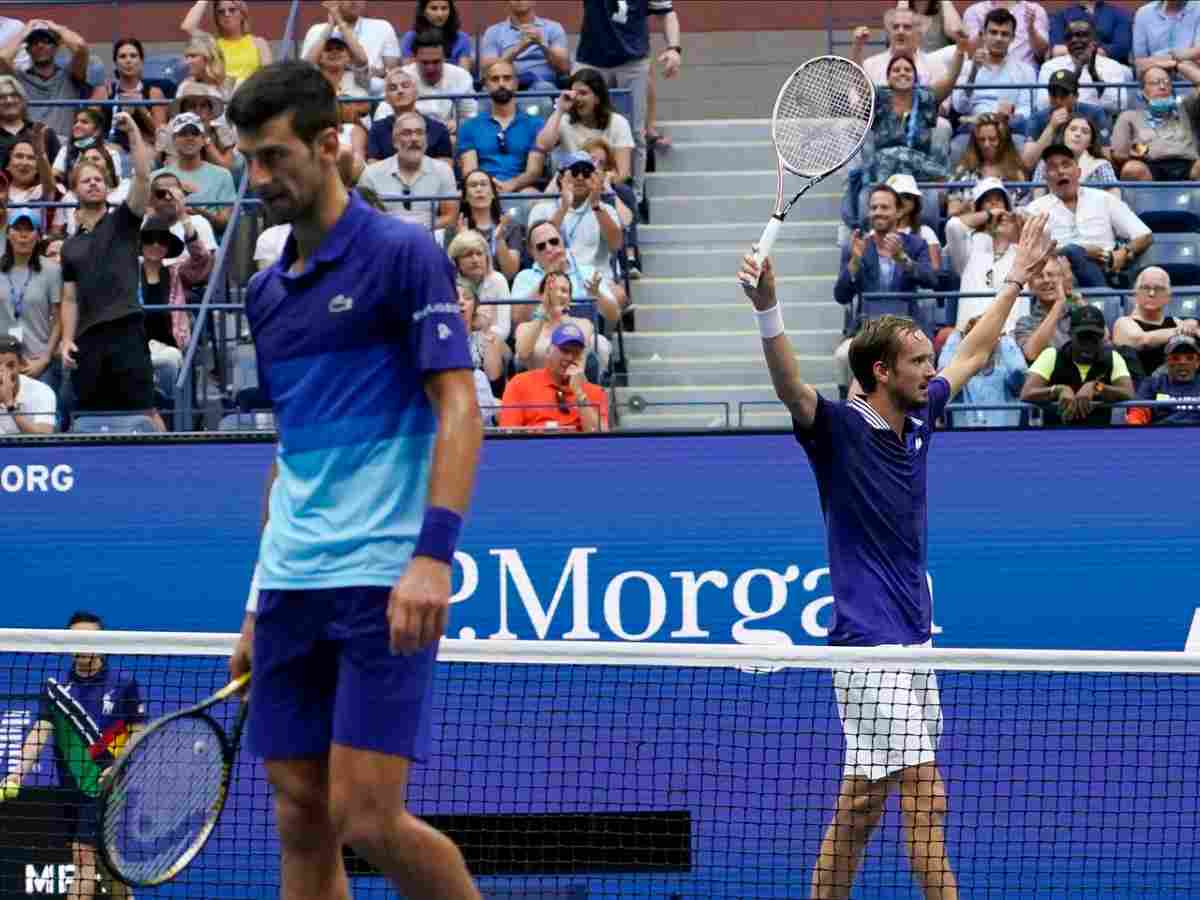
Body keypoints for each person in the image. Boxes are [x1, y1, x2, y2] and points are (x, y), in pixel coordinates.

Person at [738, 211, 1055, 900]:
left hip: (915, 641)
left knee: (861, 804)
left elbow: (972, 352)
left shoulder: (920, 417)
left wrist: (1017, 281)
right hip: (866, 646)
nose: (931, 370)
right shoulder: (840, 431)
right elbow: (792, 388)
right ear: (881, 371)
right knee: (926, 794)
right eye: (917, 361)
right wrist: (768, 309)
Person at [226, 60, 482, 900]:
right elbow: (289, 455)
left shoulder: (403, 254)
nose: (258, 178)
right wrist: (258, 601)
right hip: (293, 582)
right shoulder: (265, 295)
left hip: (381, 578)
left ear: (329, 144)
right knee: (299, 812)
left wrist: (432, 557)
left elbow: (458, 408)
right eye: (249, 161)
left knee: (367, 819)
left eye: (273, 157)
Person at [0, 611, 142, 897]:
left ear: (103, 643)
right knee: (105, 861)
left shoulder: (123, 684)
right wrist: (17, 773)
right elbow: (40, 731)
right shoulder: (56, 690)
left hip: (105, 785)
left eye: (90, 638)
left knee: (82, 857)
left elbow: (138, 731)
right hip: (70, 787)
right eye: (77, 639)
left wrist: (117, 768)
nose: (83, 645)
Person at [60, 114, 165, 432]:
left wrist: (133, 131)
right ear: (75, 190)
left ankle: (172, 470)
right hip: (88, 340)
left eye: (99, 179)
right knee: (92, 418)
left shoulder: (123, 221)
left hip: (127, 331)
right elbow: (69, 297)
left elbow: (144, 179)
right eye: (86, 180)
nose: (94, 183)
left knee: (146, 411)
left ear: (107, 186)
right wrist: (66, 339)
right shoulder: (69, 246)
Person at [574, 0, 682, 195]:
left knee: (634, 131)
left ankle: (635, 195)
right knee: (583, 127)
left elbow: (667, 13)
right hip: (592, 59)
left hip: (632, 60)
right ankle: (582, 188)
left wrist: (674, 48)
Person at [1024, 143, 1152, 288]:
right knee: (1071, 251)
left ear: (1078, 172)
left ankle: (1102, 298)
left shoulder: (1103, 199)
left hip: (1105, 269)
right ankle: (1103, 298)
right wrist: (1083, 252)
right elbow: (1030, 253)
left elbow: (1144, 234)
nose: (1060, 171)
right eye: (1052, 168)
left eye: (1066, 165)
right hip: (1057, 276)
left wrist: (1124, 252)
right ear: (1045, 177)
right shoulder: (1035, 209)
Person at [860, 47, 963, 186]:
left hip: (918, 170)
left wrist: (960, 50)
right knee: (895, 154)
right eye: (896, 70)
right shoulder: (879, 98)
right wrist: (858, 46)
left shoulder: (925, 99)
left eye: (908, 70)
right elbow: (858, 79)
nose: (902, 73)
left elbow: (951, 78)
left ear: (915, 78)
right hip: (884, 172)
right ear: (888, 79)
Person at [1020, 303, 1135, 425]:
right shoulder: (1051, 355)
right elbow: (1026, 393)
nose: (1088, 344)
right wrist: (1057, 390)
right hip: (1054, 434)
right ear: (1070, 334)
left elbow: (1128, 393)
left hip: (1099, 434)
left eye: (1094, 338)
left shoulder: (1113, 357)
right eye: (1082, 337)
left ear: (1103, 337)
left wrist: (1096, 387)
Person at [138, 212, 209, 399]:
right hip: (134, 346)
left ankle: (171, 414)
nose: (155, 245)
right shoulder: (128, 274)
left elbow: (201, 260)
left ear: (167, 247)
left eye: (161, 241)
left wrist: (186, 221)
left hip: (171, 347)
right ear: (141, 244)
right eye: (149, 240)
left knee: (170, 361)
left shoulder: (175, 273)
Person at [950, 8, 1037, 158]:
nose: (998, 38)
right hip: (973, 129)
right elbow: (959, 107)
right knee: (957, 147)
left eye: (1004, 34)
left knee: (1023, 147)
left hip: (1010, 129)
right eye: (993, 32)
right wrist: (973, 72)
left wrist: (1011, 115)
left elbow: (1027, 110)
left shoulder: (1025, 70)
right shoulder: (966, 67)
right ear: (983, 35)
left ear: (1012, 38)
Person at [357, 111, 458, 231]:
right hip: (387, 238)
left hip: (428, 238)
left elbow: (450, 217)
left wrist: (416, 231)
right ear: (395, 142)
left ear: (426, 141)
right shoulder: (371, 174)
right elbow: (366, 219)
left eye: (419, 133)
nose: (414, 138)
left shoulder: (443, 171)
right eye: (407, 133)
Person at [511, 219, 623, 326]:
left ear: (562, 241)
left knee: (602, 345)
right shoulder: (524, 277)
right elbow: (517, 318)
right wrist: (547, 276)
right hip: (541, 339)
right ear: (532, 253)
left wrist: (596, 295)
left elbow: (614, 316)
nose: (549, 248)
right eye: (541, 246)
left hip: (584, 339)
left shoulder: (588, 272)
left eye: (553, 241)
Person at [500, 321, 608, 431]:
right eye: (564, 351)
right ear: (548, 351)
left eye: (576, 353)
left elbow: (600, 438)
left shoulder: (595, 392)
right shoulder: (520, 384)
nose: (570, 358)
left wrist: (579, 393)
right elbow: (508, 433)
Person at [458, 60, 546, 194]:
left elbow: (534, 171)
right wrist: (490, 186)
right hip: (481, 188)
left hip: (521, 188)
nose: (501, 83)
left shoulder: (535, 124)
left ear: (516, 83)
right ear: (486, 85)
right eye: (495, 79)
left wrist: (512, 184)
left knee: (531, 194)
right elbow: (469, 170)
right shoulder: (469, 126)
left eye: (507, 78)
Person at [536, 67, 635, 184]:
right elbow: (542, 146)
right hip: (570, 187)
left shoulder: (618, 122)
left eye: (583, 93)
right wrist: (559, 110)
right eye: (574, 94)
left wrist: (595, 183)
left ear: (597, 98)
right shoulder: (563, 120)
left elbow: (622, 174)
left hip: (606, 187)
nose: (577, 98)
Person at [0, 206, 61, 392]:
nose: (23, 235)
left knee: (43, 415)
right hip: (2, 361)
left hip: (38, 361)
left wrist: (45, 358)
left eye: (29, 229)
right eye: (18, 229)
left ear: (38, 236)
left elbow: (59, 320)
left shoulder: (52, 270)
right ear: (8, 234)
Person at [528, 152, 622, 272]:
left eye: (586, 172)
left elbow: (616, 245)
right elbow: (537, 245)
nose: (580, 177)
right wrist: (563, 208)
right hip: (553, 276)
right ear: (561, 178)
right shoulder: (541, 209)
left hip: (594, 278)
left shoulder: (605, 210)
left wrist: (596, 205)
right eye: (574, 171)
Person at [0, 20, 91, 142]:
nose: (40, 45)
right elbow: (3, 58)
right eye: (34, 42)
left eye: (46, 41)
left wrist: (57, 28)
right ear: (27, 50)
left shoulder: (70, 75)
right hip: (29, 147)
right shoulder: (19, 79)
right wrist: (24, 32)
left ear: (56, 47)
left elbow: (80, 47)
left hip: (63, 147)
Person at [153, 113, 238, 236]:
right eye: (183, 134)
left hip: (209, 245)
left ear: (203, 140)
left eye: (195, 133)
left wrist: (199, 212)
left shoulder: (223, 175)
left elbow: (225, 224)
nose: (189, 138)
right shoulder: (156, 177)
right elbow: (148, 217)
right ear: (174, 140)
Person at [1110, 66, 1200, 183]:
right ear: (1143, 91)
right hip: (1150, 168)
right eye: (1155, 83)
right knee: (1132, 169)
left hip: (1190, 166)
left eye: (1167, 82)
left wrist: (1178, 65)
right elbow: (1118, 154)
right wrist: (1136, 150)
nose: (1162, 87)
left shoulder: (1186, 108)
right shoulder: (1129, 116)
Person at [938, 314, 1028, 426]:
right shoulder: (959, 378)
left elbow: (1019, 370)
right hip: (965, 439)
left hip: (1004, 438)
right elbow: (943, 374)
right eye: (976, 335)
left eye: (989, 334)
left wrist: (1004, 337)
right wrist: (956, 335)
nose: (983, 340)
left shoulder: (1006, 374)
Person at [300, 1, 401, 97]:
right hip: (323, 93)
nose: (353, 1)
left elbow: (392, 72)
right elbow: (305, 68)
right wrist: (331, 25)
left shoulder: (383, 27)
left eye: (339, 48)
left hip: (372, 94)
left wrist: (376, 72)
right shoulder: (316, 30)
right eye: (329, 49)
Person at [1113, 266, 1196, 379]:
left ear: (1168, 296)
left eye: (1159, 288)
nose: (1151, 293)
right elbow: (1142, 340)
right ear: (1135, 294)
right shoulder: (1123, 323)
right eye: (1145, 288)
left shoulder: (1177, 322)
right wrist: (1182, 331)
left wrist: (1193, 325)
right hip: (1141, 389)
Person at [480, 1, 570, 103]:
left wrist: (542, 43)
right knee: (486, 93)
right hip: (505, 83)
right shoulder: (493, 32)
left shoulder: (553, 28)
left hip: (542, 84)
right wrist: (519, 48)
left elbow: (564, 67)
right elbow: (487, 70)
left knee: (544, 88)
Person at [1022, 69, 1112, 170]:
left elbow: (1106, 156)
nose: (1058, 100)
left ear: (1076, 96)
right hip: (1050, 172)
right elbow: (1027, 163)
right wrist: (1051, 127)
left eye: (1064, 95)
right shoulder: (1037, 118)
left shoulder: (1094, 113)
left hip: (1086, 170)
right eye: (1053, 95)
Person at [1037, 19, 1130, 116]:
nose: (1074, 40)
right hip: (1062, 119)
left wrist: (1094, 75)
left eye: (1081, 35)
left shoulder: (1112, 66)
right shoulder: (1050, 66)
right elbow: (1042, 105)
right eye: (1069, 37)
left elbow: (1119, 106)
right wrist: (1076, 73)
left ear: (1094, 40)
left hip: (1099, 122)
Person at [445, 169, 524, 282]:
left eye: (483, 184)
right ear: (465, 196)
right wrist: (462, 241)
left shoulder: (510, 226)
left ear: (493, 193)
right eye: (473, 185)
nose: (479, 189)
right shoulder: (455, 228)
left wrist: (499, 240)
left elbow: (510, 273)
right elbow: (450, 272)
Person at [514, 268, 598, 371]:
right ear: (541, 296)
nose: (557, 295)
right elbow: (523, 354)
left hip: (570, 383)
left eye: (564, 290)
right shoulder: (524, 327)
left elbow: (577, 357)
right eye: (551, 290)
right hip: (536, 384)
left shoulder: (583, 324)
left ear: (569, 300)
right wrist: (544, 310)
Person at [945, 113, 1027, 216]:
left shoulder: (1016, 174)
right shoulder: (963, 171)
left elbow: (1021, 211)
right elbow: (951, 212)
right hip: (971, 224)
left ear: (1002, 141)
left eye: (992, 139)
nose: (986, 145)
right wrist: (964, 207)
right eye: (981, 140)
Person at [368, 67, 452, 163]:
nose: (400, 91)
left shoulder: (438, 129)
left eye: (405, 86)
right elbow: (373, 167)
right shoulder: (377, 130)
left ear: (416, 93)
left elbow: (445, 169)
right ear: (386, 98)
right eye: (393, 88)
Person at [180, 0, 273, 86]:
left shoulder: (259, 43)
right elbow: (188, 27)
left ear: (242, 14)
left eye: (232, 10)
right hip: (222, 98)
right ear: (217, 18)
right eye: (221, 12)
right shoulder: (212, 43)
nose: (227, 14)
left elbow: (268, 78)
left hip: (250, 96)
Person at [852, 6, 951, 86]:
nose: (900, 31)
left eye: (907, 27)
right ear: (889, 33)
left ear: (918, 34)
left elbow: (942, 107)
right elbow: (859, 102)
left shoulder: (935, 66)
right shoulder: (870, 65)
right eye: (895, 27)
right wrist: (857, 48)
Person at [100, 39, 170, 149]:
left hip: (145, 149)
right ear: (115, 63)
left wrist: (140, 108)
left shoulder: (154, 93)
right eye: (122, 56)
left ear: (141, 62)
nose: (128, 61)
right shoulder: (105, 91)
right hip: (111, 149)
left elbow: (161, 137)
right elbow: (90, 124)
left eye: (133, 56)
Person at [404, 30, 478, 134]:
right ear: (415, 58)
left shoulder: (461, 76)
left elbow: (471, 115)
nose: (430, 68)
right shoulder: (402, 77)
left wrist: (459, 123)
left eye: (436, 62)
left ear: (445, 58)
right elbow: (384, 115)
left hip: (448, 136)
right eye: (424, 62)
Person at [1028, 114, 1119, 198]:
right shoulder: (1045, 163)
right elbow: (1038, 201)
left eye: (1085, 131)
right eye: (1073, 129)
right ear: (1064, 134)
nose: (1078, 134)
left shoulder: (1102, 165)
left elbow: (1115, 202)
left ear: (1090, 142)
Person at [1012, 252, 1080, 361]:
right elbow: (1031, 354)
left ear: (1063, 279)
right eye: (1039, 276)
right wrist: (1059, 303)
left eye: (1051, 275)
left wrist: (1072, 294)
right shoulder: (1025, 323)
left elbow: (1104, 339)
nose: (1046, 280)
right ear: (1030, 285)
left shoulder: (1078, 312)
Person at [447, 228, 512, 343]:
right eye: (468, 255)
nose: (475, 260)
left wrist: (478, 336)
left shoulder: (498, 280)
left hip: (492, 342)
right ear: (456, 261)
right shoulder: (449, 283)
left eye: (479, 254)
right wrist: (475, 324)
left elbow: (504, 329)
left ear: (487, 257)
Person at [1126, 333, 1200, 425]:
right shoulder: (1152, 384)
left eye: (1189, 358)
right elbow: (1137, 414)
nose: (1182, 362)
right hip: (1161, 434)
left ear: (1197, 363)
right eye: (1175, 358)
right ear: (1167, 362)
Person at [0, 75, 61, 171]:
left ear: (22, 99)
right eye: (2, 97)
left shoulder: (43, 132)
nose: (9, 100)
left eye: (14, 95)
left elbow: (58, 172)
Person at [962, 0, 1049, 67]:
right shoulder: (974, 11)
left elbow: (1042, 52)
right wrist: (983, 28)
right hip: (986, 71)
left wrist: (1031, 29)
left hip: (1023, 75)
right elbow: (970, 52)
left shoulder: (1034, 10)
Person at [886, 173, 943, 271]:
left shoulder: (926, 232)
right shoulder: (876, 232)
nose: (901, 201)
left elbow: (934, 269)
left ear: (915, 203)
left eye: (907, 197)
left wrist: (904, 260)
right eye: (896, 197)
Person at [51, 108, 125, 182]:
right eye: (75, 122)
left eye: (84, 122)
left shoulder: (111, 153)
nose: (77, 125)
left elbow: (116, 184)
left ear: (97, 130)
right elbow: (54, 177)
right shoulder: (66, 150)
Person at [1132, 0, 1200, 80]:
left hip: (1191, 72)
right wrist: (1173, 60)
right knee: (1155, 74)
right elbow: (1140, 63)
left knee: (1188, 67)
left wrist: (1164, 59)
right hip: (1155, 71)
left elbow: (1197, 52)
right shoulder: (1144, 13)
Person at [0, 333, 55, 432]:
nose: (4, 373)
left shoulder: (42, 391)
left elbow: (44, 435)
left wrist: (10, 405)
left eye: (10, 366)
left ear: (22, 365)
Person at [1048, 0, 1132, 64]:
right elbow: (1057, 50)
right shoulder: (1062, 14)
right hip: (1069, 63)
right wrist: (1090, 51)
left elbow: (1121, 47)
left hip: (1108, 63)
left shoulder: (1118, 14)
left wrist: (1087, 52)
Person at [401, 0, 473, 71]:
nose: (440, 14)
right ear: (423, 11)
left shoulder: (462, 38)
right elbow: (409, 73)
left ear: (450, 11)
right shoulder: (410, 38)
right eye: (434, 8)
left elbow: (464, 74)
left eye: (444, 8)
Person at [176, 32, 235, 101]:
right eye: (187, 57)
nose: (187, 62)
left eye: (193, 56)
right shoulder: (185, 87)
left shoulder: (233, 84)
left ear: (208, 57)